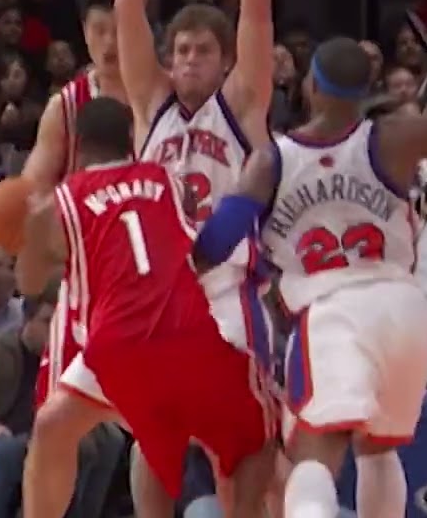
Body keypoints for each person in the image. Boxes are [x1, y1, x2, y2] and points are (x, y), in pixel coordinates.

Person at [192, 0, 427, 518]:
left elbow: (218, 240)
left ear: (311, 85)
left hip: (334, 311)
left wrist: (172, 269)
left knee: (314, 453)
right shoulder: (395, 138)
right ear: (367, 91)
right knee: (378, 447)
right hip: (406, 311)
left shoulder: (272, 159)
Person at [16, 97, 274, 518]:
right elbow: (190, 242)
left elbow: (29, 283)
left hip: (118, 344)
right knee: (254, 438)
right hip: (184, 331)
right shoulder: (168, 180)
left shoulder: (60, 201)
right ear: (132, 142)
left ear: (77, 146)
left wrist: (26, 237)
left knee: (53, 427)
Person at [114, 0, 276, 516]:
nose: (186, 59)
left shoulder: (240, 102)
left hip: (227, 285)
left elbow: (259, 12)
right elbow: (127, 12)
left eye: (201, 50)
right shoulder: (149, 103)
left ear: (223, 59)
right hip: (159, 285)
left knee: (243, 433)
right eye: (179, 49)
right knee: (152, 432)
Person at [21, 0, 127, 409]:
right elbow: (34, 191)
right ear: (84, 34)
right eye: (99, 31)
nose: (110, 42)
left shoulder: (162, 95)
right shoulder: (66, 105)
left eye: (119, 31)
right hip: (86, 259)